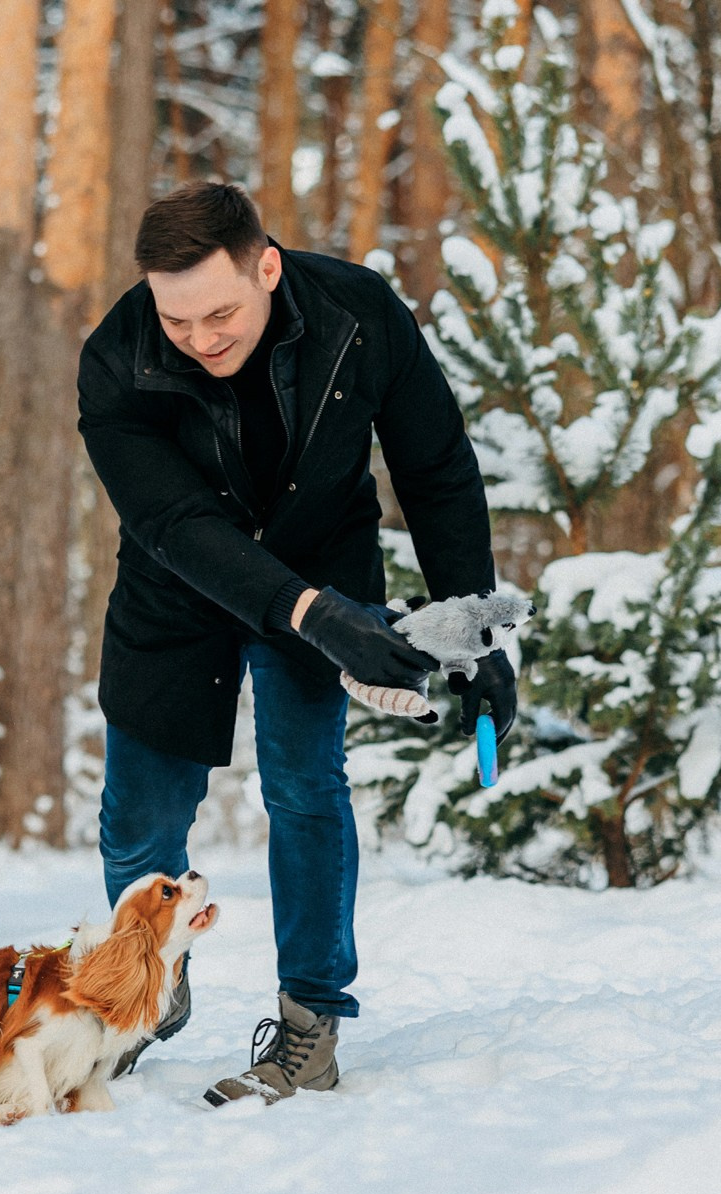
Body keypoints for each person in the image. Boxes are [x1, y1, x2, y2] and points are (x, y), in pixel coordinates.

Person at [78, 181, 515, 1107]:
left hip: (326, 552)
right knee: (138, 823)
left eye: (222, 311)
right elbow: (173, 521)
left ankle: (310, 1025)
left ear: (267, 265)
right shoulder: (117, 358)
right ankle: (148, 985)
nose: (200, 338)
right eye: (178, 317)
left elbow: (434, 467)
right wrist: (316, 614)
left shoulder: (359, 315)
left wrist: (474, 630)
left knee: (304, 784)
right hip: (178, 582)